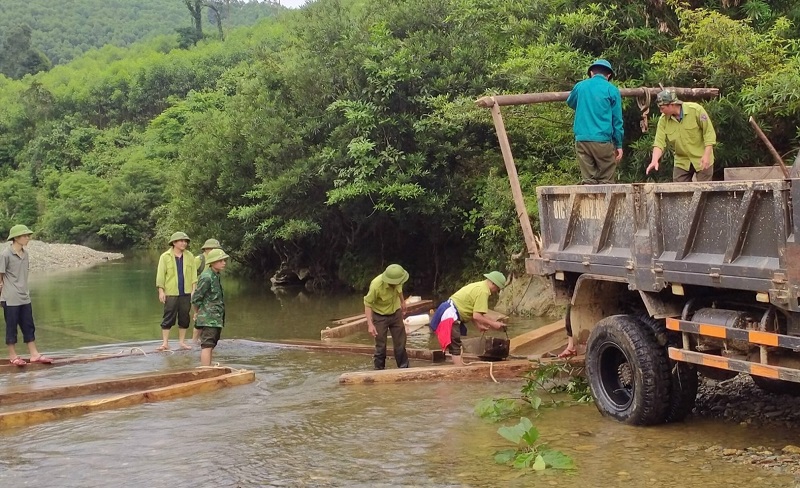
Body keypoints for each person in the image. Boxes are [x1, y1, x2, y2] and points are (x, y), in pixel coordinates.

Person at [429, 271, 508, 367]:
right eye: (497, 288)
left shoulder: (480, 286)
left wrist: (478, 325)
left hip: (448, 310)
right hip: (450, 314)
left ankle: (459, 365)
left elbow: (470, 310)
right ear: (493, 284)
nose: (496, 291)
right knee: (455, 344)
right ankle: (459, 369)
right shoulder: (483, 291)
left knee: (455, 342)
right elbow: (477, 316)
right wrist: (493, 324)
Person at [566, 59, 624, 184]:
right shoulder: (612, 90)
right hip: (602, 141)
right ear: (608, 76)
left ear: (591, 73)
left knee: (588, 180)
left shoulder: (580, 86)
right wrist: (618, 145)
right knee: (606, 180)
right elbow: (617, 120)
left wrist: (585, 105)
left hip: (582, 140)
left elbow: (570, 102)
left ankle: (590, 199)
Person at [0, 224, 52, 366]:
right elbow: (0, 276)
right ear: (16, 238)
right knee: (11, 327)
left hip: (24, 296)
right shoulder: (5, 255)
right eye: (25, 236)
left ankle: (34, 354)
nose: (28, 238)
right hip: (10, 298)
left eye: (28, 235)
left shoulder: (26, 254)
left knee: (29, 325)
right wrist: (1, 296)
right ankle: (13, 356)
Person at [646, 89, 717, 182]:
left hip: (702, 157)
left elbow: (709, 133)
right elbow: (659, 143)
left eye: (662, 108)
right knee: (679, 192)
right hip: (682, 160)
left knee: (702, 192)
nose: (661, 111)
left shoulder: (696, 110)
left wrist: (706, 155)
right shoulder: (663, 120)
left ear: (671, 105)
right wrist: (654, 160)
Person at [155, 232, 198, 351]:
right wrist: (161, 291)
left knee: (184, 317)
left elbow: (194, 274)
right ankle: (165, 343)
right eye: (181, 241)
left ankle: (182, 342)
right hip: (171, 292)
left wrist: (194, 290)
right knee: (168, 316)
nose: (184, 243)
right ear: (174, 243)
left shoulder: (189, 256)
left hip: (186, 292)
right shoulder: (165, 256)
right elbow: (160, 275)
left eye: (185, 241)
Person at [364, 264, 410, 370]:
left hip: (396, 312)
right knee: (381, 346)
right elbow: (368, 303)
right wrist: (370, 324)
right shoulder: (376, 285)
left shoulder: (398, 280)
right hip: (380, 316)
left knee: (400, 343)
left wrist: (403, 302)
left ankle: (404, 368)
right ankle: (379, 370)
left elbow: (399, 289)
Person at [192, 248, 229, 366]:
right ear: (213, 262)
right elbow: (196, 298)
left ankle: (208, 368)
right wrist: (197, 313)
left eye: (224, 260)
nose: (224, 263)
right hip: (208, 318)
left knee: (211, 344)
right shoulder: (206, 277)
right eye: (221, 260)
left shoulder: (215, 275)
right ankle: (205, 371)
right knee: (207, 345)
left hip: (216, 318)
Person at [193, 238, 221, 343]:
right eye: (213, 249)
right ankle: (194, 341)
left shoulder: (216, 261)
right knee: (198, 317)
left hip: (209, 293)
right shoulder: (199, 259)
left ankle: (203, 339)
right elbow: (190, 274)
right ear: (206, 249)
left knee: (205, 318)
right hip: (199, 290)